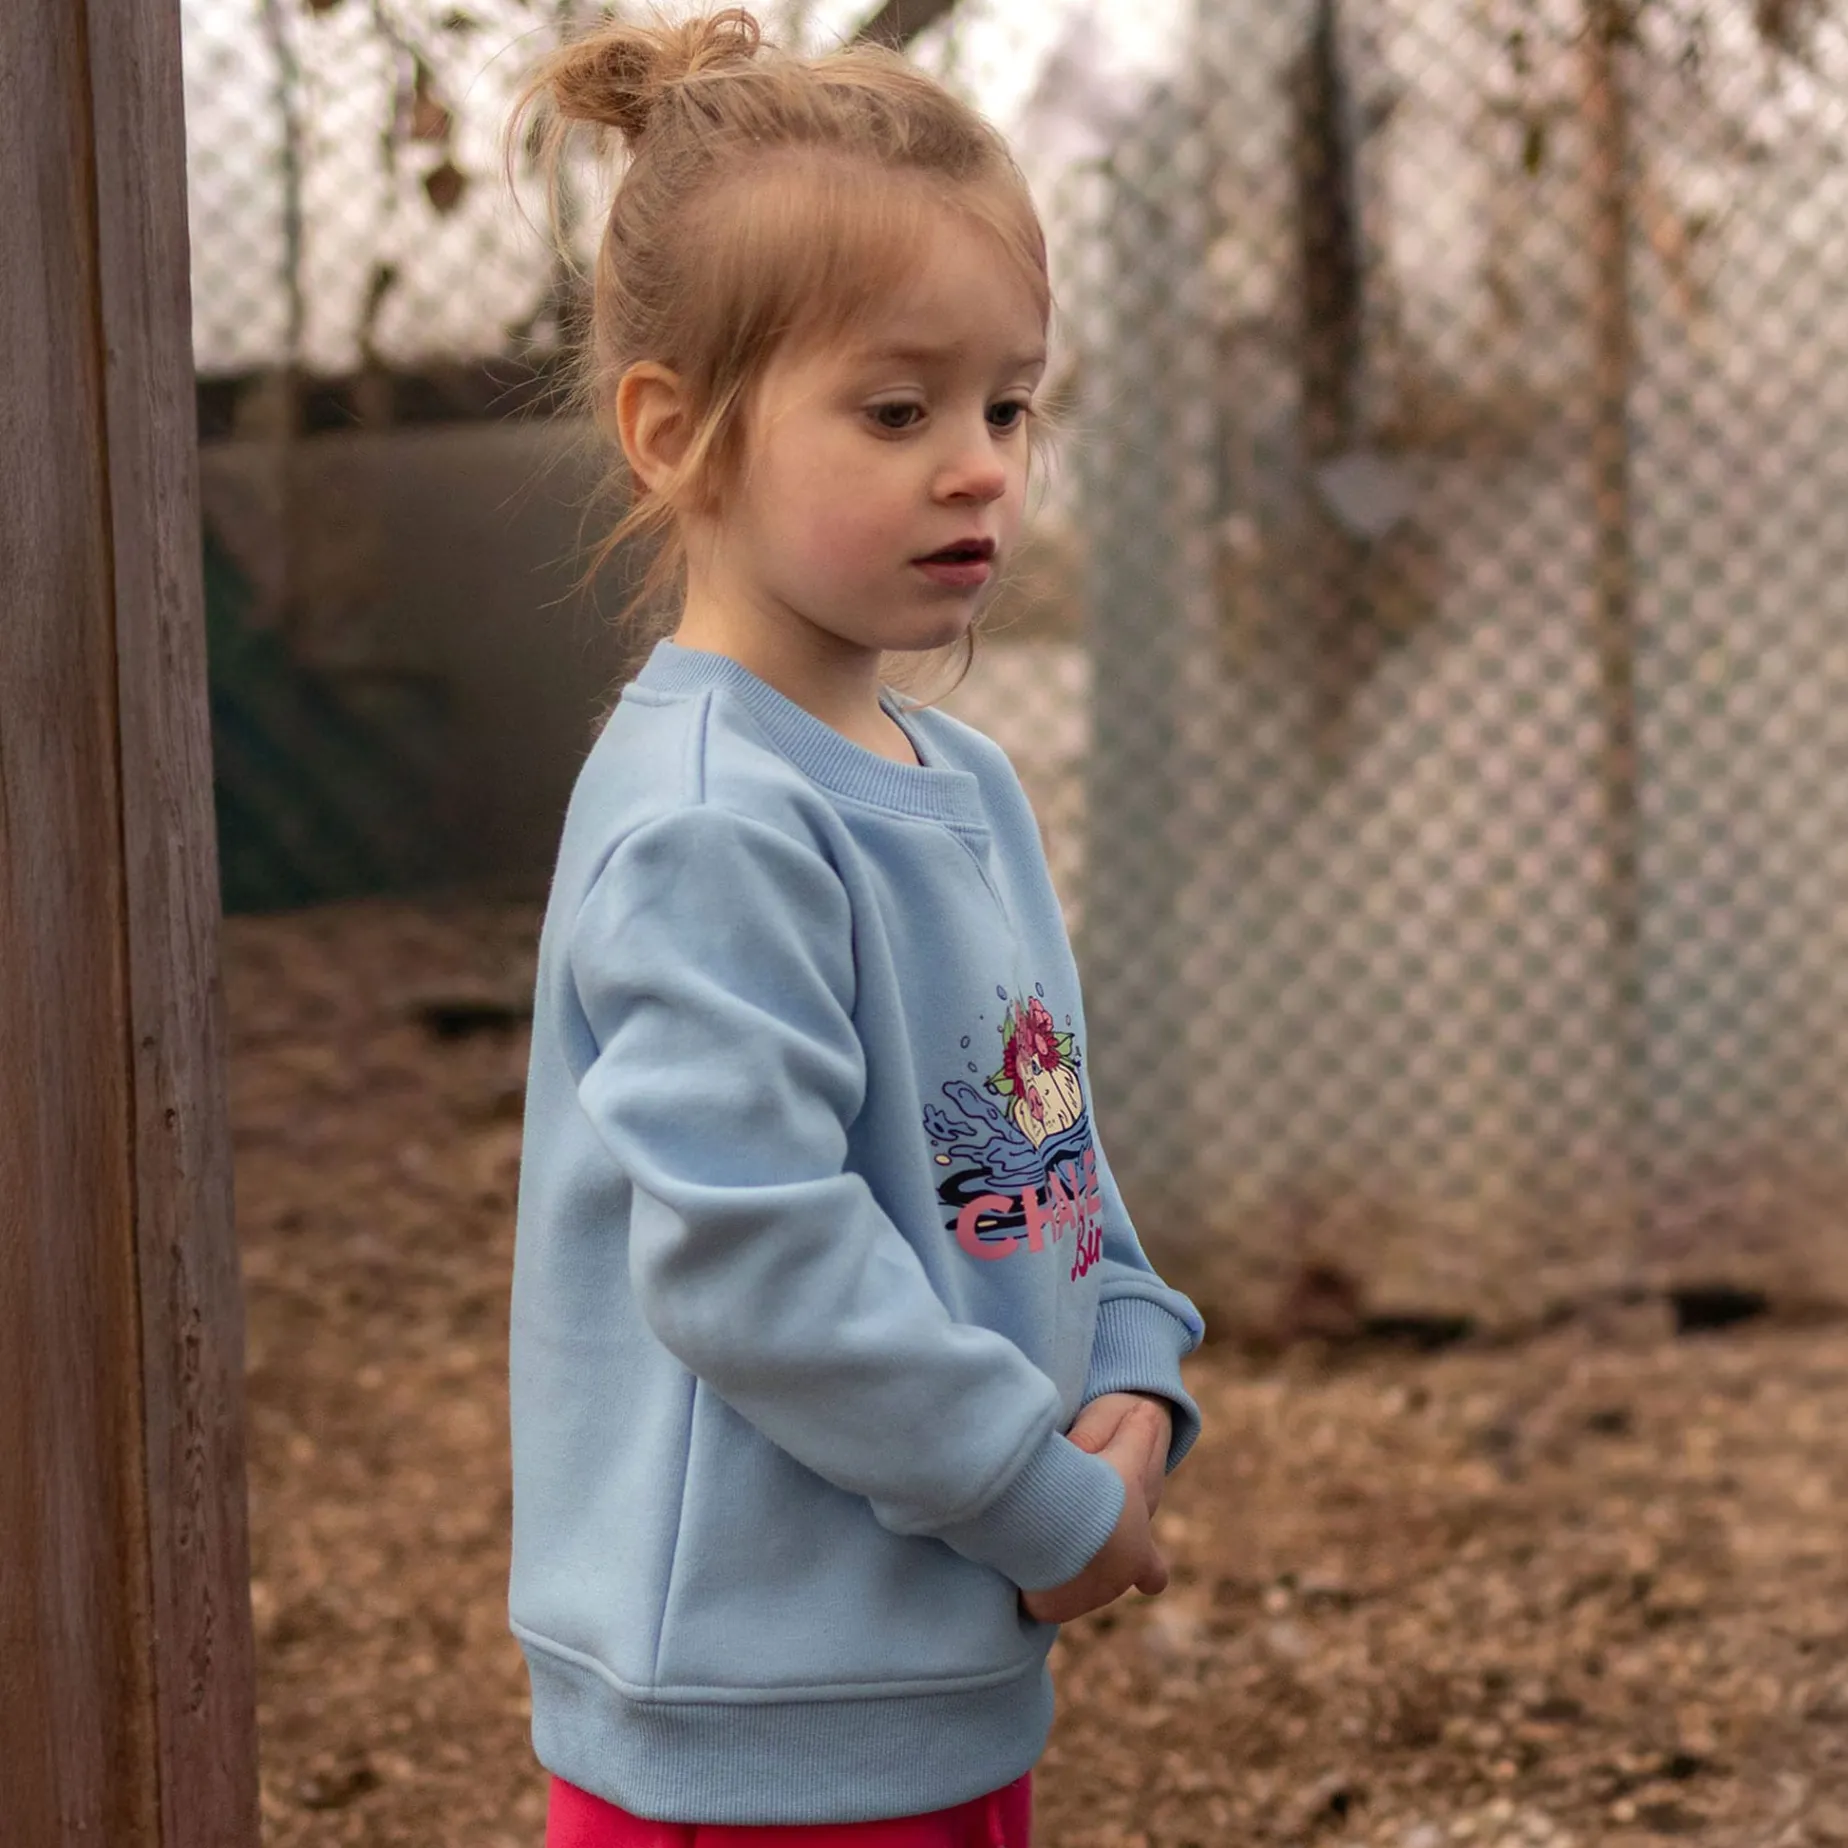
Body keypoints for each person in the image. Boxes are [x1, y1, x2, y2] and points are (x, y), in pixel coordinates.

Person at [504, 12, 1205, 1844]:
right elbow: (755, 1265)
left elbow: (1043, 1141)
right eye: (898, 413)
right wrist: (1043, 1505)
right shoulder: (711, 822)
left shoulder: (959, 780)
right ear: (675, 436)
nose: (979, 465)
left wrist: (1134, 1365)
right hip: (753, 1725)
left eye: (1007, 405)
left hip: (935, 1673)